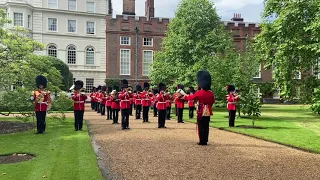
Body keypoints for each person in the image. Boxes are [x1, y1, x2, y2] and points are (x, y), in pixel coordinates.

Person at [183, 70, 215, 145]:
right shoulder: (211, 93)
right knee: (206, 126)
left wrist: (185, 96)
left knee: (200, 126)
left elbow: (191, 98)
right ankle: (206, 140)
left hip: (201, 110)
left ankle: (202, 141)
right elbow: (212, 102)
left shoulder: (199, 93)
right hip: (208, 110)